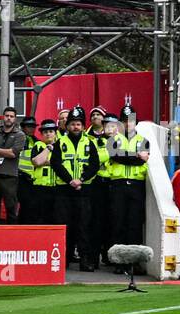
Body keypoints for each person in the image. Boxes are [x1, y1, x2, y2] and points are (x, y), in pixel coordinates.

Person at [51, 106, 101, 271]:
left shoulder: (89, 143)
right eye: (72, 124)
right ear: (67, 126)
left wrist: (81, 179)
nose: (75, 127)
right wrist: (70, 180)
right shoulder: (60, 142)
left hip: (84, 191)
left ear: (82, 125)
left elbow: (94, 165)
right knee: (64, 226)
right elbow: (56, 163)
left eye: (78, 124)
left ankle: (85, 260)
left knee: (83, 227)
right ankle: (63, 260)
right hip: (63, 191)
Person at [106, 105, 150, 255]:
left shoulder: (144, 140)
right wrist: (136, 155)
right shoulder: (113, 139)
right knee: (117, 222)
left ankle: (133, 260)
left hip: (137, 185)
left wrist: (126, 156)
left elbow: (142, 160)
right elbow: (115, 155)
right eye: (124, 121)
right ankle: (117, 260)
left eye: (130, 120)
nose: (127, 124)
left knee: (134, 223)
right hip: (118, 185)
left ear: (135, 121)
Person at [0, 106, 25, 223]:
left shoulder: (20, 135)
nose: (9, 118)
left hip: (10, 176)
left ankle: (12, 233)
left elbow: (13, 153)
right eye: (7, 116)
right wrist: (5, 152)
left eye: (11, 116)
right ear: (3, 117)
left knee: (11, 206)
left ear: (15, 119)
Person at [17, 117, 53, 224]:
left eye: (33, 126)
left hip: (33, 179)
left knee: (32, 209)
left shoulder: (37, 142)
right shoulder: (19, 140)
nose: (31, 129)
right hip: (21, 177)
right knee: (23, 207)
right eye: (29, 126)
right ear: (23, 127)